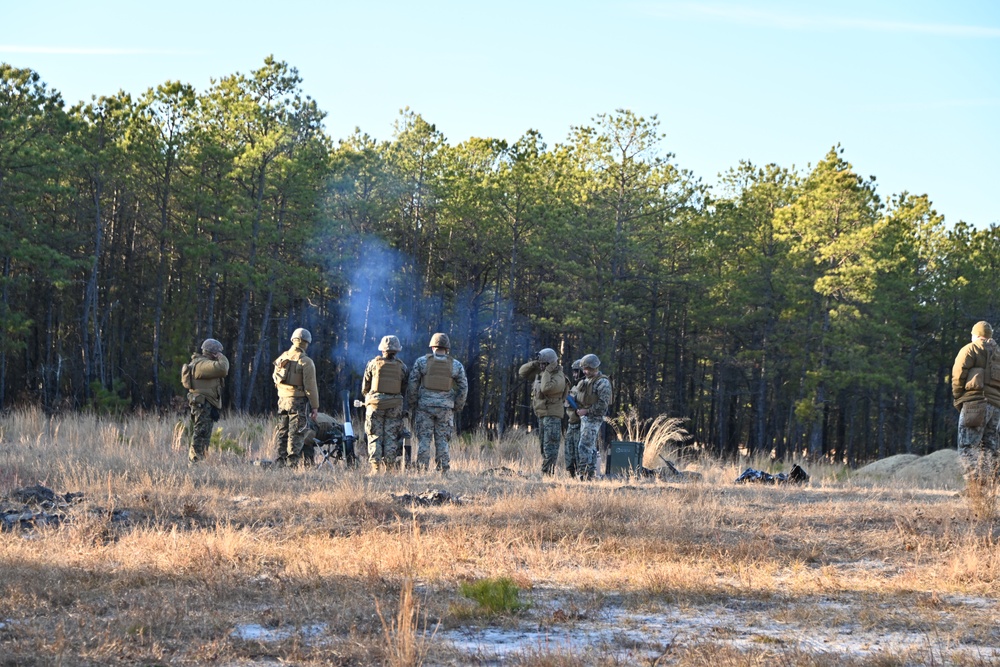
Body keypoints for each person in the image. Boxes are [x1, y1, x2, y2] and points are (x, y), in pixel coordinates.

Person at [407, 332, 468, 473]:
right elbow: (464, 387)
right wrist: (457, 405)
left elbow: (412, 384)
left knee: (424, 440)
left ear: (432, 347)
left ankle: (421, 469)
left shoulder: (422, 362)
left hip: (425, 407)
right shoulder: (456, 365)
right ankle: (443, 470)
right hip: (445, 409)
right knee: (442, 441)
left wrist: (413, 403)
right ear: (447, 348)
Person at [951, 321, 1000, 494]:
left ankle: (973, 489)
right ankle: (990, 489)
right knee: (990, 448)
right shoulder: (998, 353)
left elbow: (958, 375)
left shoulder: (970, 349)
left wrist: (959, 398)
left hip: (975, 404)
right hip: (995, 407)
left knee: (968, 446)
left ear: (975, 334)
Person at [272, 328, 320, 468]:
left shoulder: (282, 358)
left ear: (293, 340)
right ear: (306, 343)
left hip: (282, 400)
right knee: (297, 433)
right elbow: (310, 387)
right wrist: (315, 406)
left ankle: (280, 461)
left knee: (283, 432)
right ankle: (291, 464)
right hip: (298, 401)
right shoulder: (306, 361)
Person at [361, 335, 409, 472]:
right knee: (391, 437)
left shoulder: (373, 364)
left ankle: (375, 468)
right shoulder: (402, 367)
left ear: (382, 349)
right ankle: (389, 468)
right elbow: (404, 388)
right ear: (397, 350)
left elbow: (365, 387)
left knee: (374, 435)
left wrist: (370, 398)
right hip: (394, 406)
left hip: (375, 405)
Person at [518, 348, 567, 476]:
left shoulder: (559, 377)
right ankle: (546, 472)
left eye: (543, 363)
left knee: (550, 446)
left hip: (552, 415)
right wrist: (535, 363)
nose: (541, 366)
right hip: (542, 415)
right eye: (540, 364)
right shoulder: (541, 372)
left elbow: (546, 388)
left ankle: (547, 473)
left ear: (550, 363)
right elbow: (522, 372)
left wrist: (548, 370)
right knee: (543, 447)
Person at [182, 338, 229, 463]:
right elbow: (223, 368)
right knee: (200, 432)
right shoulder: (202, 364)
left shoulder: (202, 363)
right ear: (212, 352)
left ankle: (200, 460)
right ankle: (195, 461)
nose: (220, 354)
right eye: (218, 352)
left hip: (205, 404)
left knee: (204, 433)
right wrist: (221, 357)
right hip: (202, 404)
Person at [575, 353, 613, 480]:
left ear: (594, 368)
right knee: (590, 447)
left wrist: (587, 411)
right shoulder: (586, 381)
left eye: (587, 369)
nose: (585, 371)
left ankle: (584, 473)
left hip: (594, 418)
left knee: (584, 446)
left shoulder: (603, 383)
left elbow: (602, 406)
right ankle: (590, 475)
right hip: (585, 418)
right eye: (583, 369)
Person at [563, 359, 585, 478]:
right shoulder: (576, 386)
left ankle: (582, 474)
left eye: (577, 372)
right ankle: (572, 474)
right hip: (572, 423)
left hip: (580, 424)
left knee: (579, 451)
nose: (575, 375)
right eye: (574, 372)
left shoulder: (586, 386)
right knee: (569, 451)